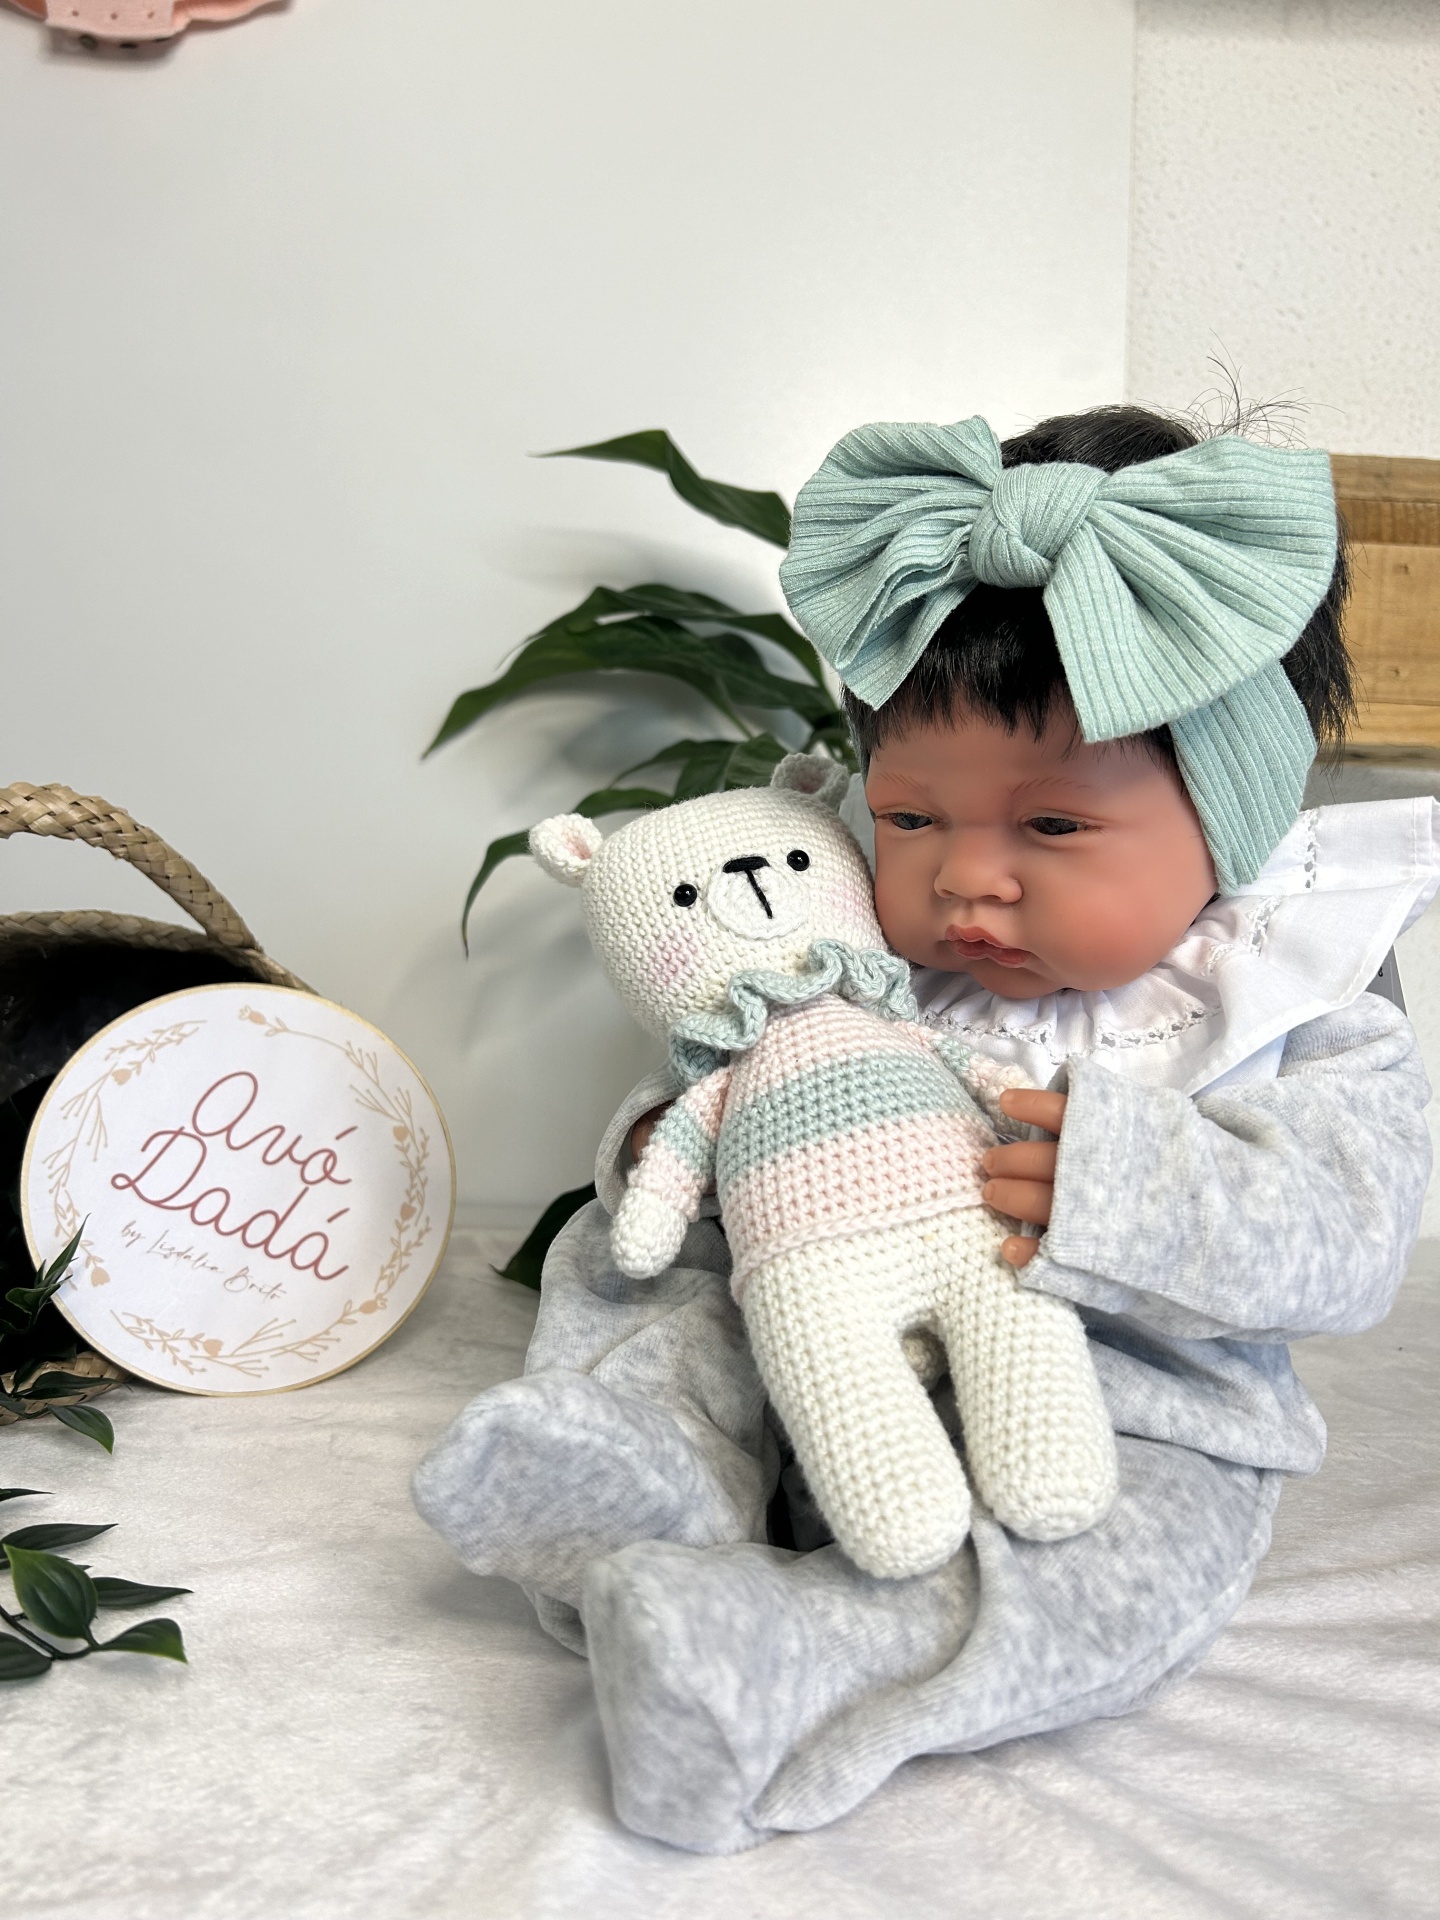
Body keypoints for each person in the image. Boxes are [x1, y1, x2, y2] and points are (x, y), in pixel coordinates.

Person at [413, 405, 1436, 1854]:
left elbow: (1352, 1240)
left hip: (1132, 1405)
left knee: (1116, 1576)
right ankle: (643, 1462)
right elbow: (741, 1092)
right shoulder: (865, 948)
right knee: (643, 1276)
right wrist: (671, 1145)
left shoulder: (1291, 986)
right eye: (909, 817)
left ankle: (774, 1654)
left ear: (1231, 811)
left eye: (1056, 829)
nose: (968, 884)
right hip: (814, 1331)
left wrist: (1116, 1181)